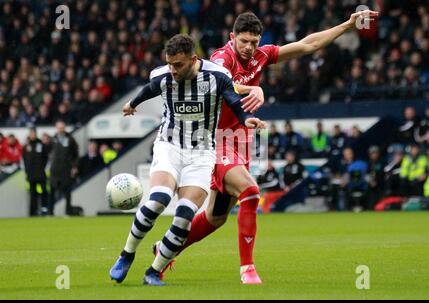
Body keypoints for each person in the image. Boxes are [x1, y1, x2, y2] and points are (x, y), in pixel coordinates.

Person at [158, 9, 379, 284]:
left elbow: (307, 45)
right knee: (250, 192)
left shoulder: (261, 56)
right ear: (232, 37)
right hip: (215, 140)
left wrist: (346, 25)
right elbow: (220, 85)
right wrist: (254, 89)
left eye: (254, 41)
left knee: (216, 218)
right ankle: (247, 269)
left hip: (240, 142)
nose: (249, 47)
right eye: (244, 41)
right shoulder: (220, 59)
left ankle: (164, 250)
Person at [109, 34, 265, 286]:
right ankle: (126, 254)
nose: (173, 70)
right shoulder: (163, 75)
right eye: (169, 64)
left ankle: (154, 271)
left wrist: (246, 118)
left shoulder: (217, 76)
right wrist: (132, 103)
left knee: (183, 216)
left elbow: (233, 100)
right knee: (157, 202)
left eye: (178, 65)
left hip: (202, 154)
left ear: (193, 59)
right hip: (169, 146)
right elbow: (149, 89)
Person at [48, 120, 79, 216]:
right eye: (59, 127)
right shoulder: (53, 139)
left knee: (67, 191)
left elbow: (75, 154)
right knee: (52, 192)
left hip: (66, 169)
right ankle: (50, 212)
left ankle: (68, 212)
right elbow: (48, 152)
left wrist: (74, 166)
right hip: (54, 170)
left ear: (64, 128)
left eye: (62, 127)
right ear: (56, 128)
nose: (60, 129)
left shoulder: (70, 139)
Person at [23, 128, 49, 216]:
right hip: (31, 174)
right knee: (32, 194)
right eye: (31, 133)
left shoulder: (41, 144)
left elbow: (45, 158)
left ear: (36, 134)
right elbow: (24, 159)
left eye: (34, 133)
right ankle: (32, 212)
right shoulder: (26, 146)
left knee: (44, 192)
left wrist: (42, 168)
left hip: (41, 174)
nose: (33, 135)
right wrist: (27, 171)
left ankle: (44, 210)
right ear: (29, 134)